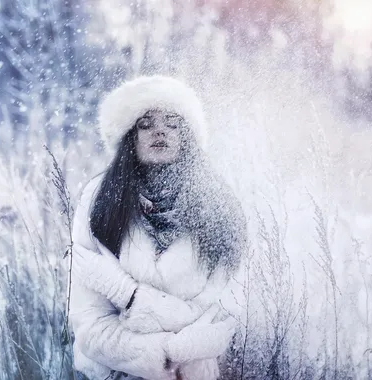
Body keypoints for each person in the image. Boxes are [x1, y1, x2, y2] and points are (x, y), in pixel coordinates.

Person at [69, 75, 248, 380]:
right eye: (146, 123)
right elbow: (90, 325)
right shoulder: (100, 201)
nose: (160, 130)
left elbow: (221, 321)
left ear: (186, 134)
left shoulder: (219, 207)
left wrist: (128, 295)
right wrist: (168, 351)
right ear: (130, 136)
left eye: (173, 122)